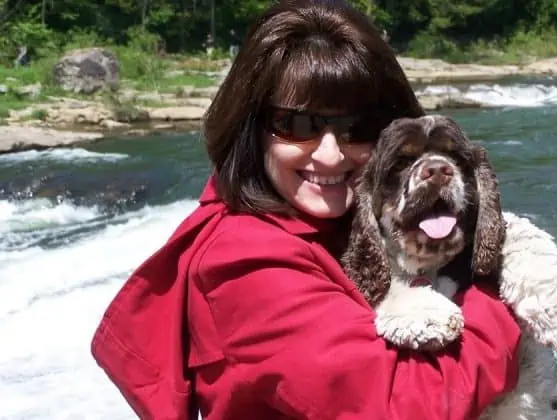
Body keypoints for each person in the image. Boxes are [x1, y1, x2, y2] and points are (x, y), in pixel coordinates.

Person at [90, 1, 522, 419]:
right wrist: (499, 285)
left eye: (358, 128)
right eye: (299, 125)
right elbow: (412, 405)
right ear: (251, 129)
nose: (331, 156)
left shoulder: (345, 224)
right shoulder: (244, 264)